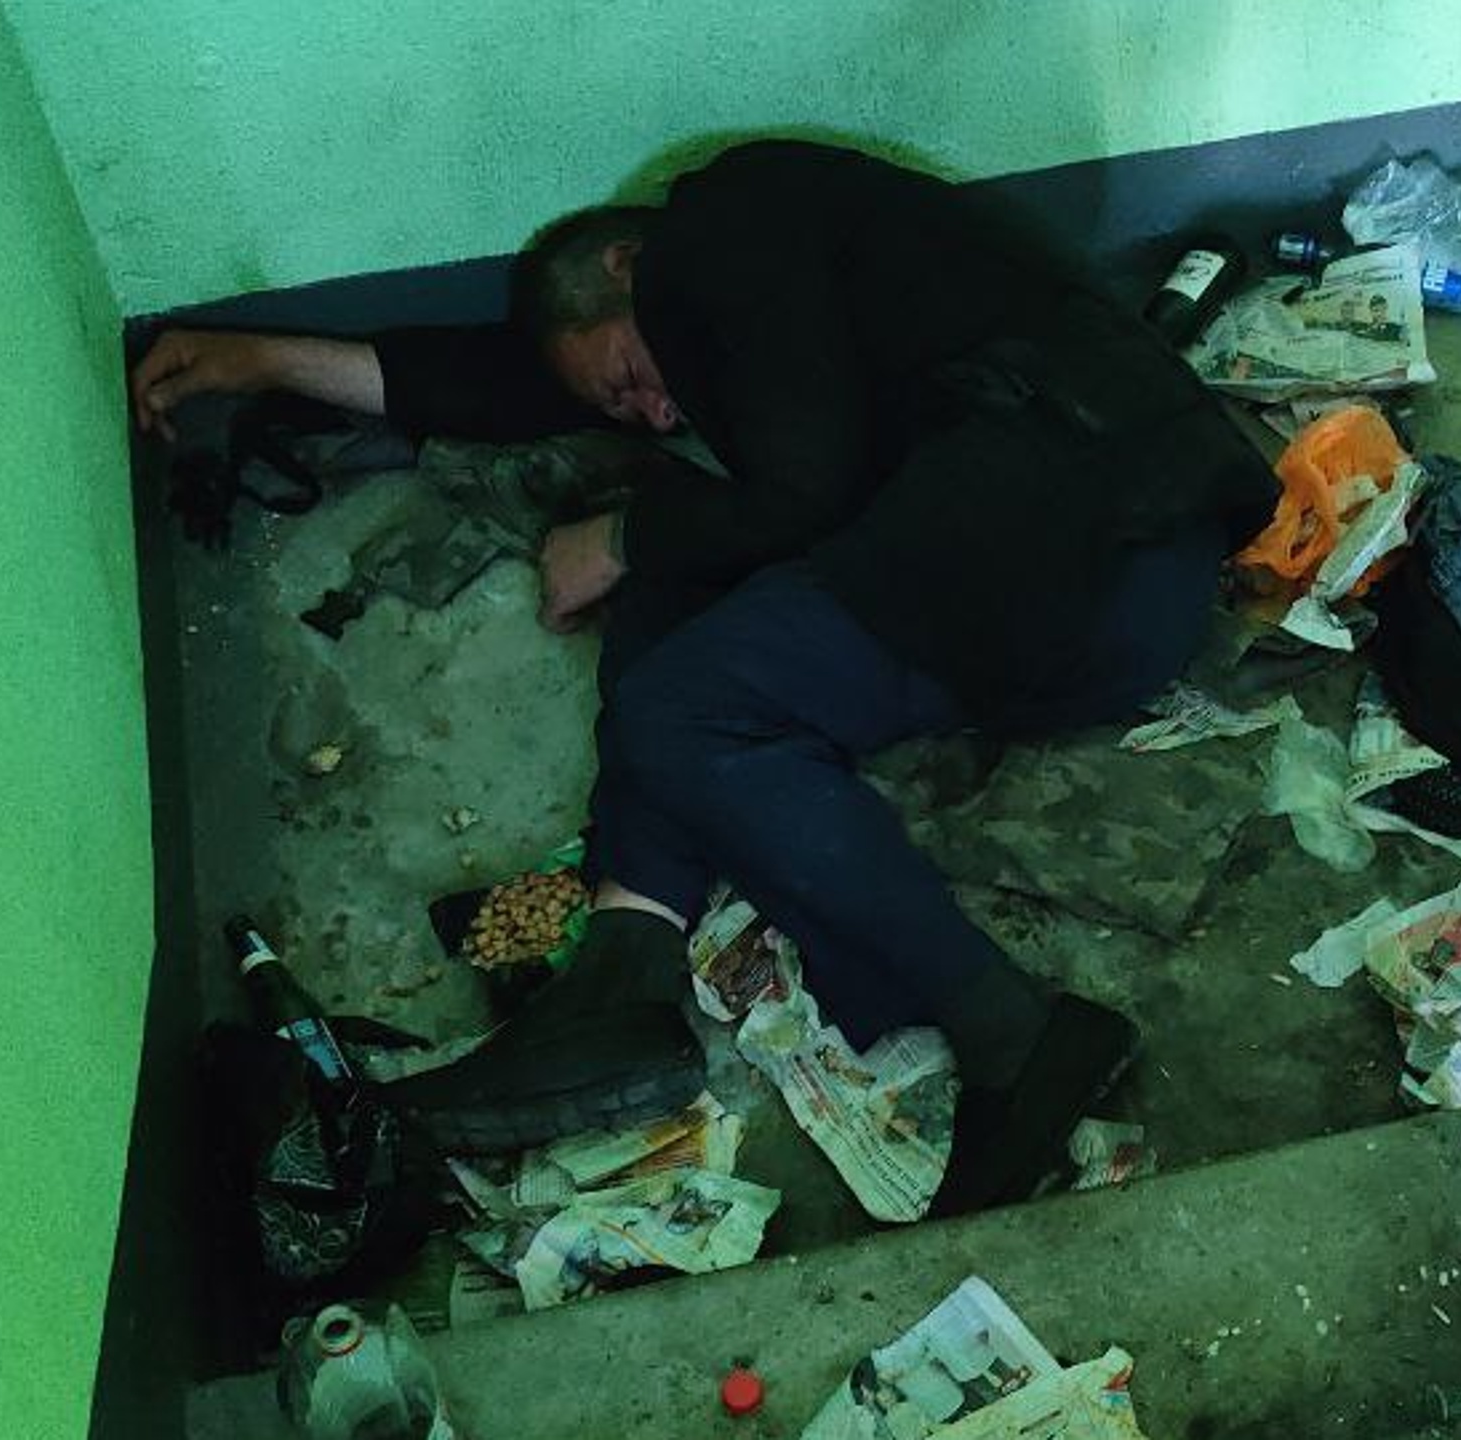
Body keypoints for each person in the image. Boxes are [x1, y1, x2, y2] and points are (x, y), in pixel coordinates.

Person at [130, 140, 1274, 1214]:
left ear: (627, 264)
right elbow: (501, 380)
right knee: (682, 591)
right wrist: (258, 357)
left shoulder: (726, 221)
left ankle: (1018, 1038)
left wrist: (621, 534)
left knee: (682, 697)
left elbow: (805, 487)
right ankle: (625, 964)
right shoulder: (789, 298)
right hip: (1100, 592)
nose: (657, 412)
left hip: (1080, 544)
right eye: (624, 407)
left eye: (631, 376)